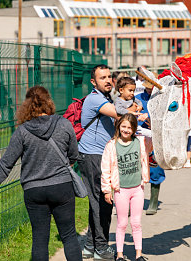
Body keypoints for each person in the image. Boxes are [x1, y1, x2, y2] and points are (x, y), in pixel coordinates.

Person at [0, 86, 83, 260]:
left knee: (40, 239)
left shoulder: (22, 131)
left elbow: (6, 163)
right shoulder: (64, 123)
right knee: (69, 236)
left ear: (27, 106)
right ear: (49, 102)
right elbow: (73, 154)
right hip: (61, 186)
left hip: (34, 189)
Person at [76, 64, 118, 260]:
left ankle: (90, 246)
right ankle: (101, 248)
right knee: (101, 202)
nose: (108, 80)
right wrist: (138, 112)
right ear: (93, 82)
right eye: (103, 78)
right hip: (93, 156)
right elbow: (120, 114)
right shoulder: (95, 99)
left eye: (110, 77)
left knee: (101, 202)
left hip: (100, 155)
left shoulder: (104, 97)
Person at [101, 114, 152, 261]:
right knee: (122, 223)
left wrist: (148, 121)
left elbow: (157, 139)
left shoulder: (142, 142)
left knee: (136, 222)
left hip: (137, 189)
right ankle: (120, 255)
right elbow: (105, 169)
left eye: (130, 127)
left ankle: (138, 255)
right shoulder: (111, 145)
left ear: (135, 129)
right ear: (118, 127)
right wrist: (106, 190)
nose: (126, 130)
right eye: (123, 126)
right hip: (120, 190)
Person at [135, 78, 165, 215]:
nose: (149, 89)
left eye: (151, 87)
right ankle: (134, 201)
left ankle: (153, 202)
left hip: (156, 138)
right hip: (138, 136)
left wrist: (154, 121)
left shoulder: (162, 98)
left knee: (155, 170)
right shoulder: (137, 98)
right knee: (136, 170)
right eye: (147, 87)